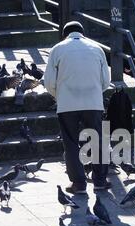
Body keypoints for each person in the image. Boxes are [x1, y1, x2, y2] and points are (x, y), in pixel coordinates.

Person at [44, 21, 111, 194]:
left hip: (67, 104)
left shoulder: (57, 49)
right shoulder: (97, 48)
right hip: (93, 103)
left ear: (64, 34)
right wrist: (94, 93)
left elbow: (49, 82)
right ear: (83, 33)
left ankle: (79, 183)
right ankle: (100, 181)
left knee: (71, 143)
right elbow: (106, 81)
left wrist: (60, 95)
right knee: (97, 141)